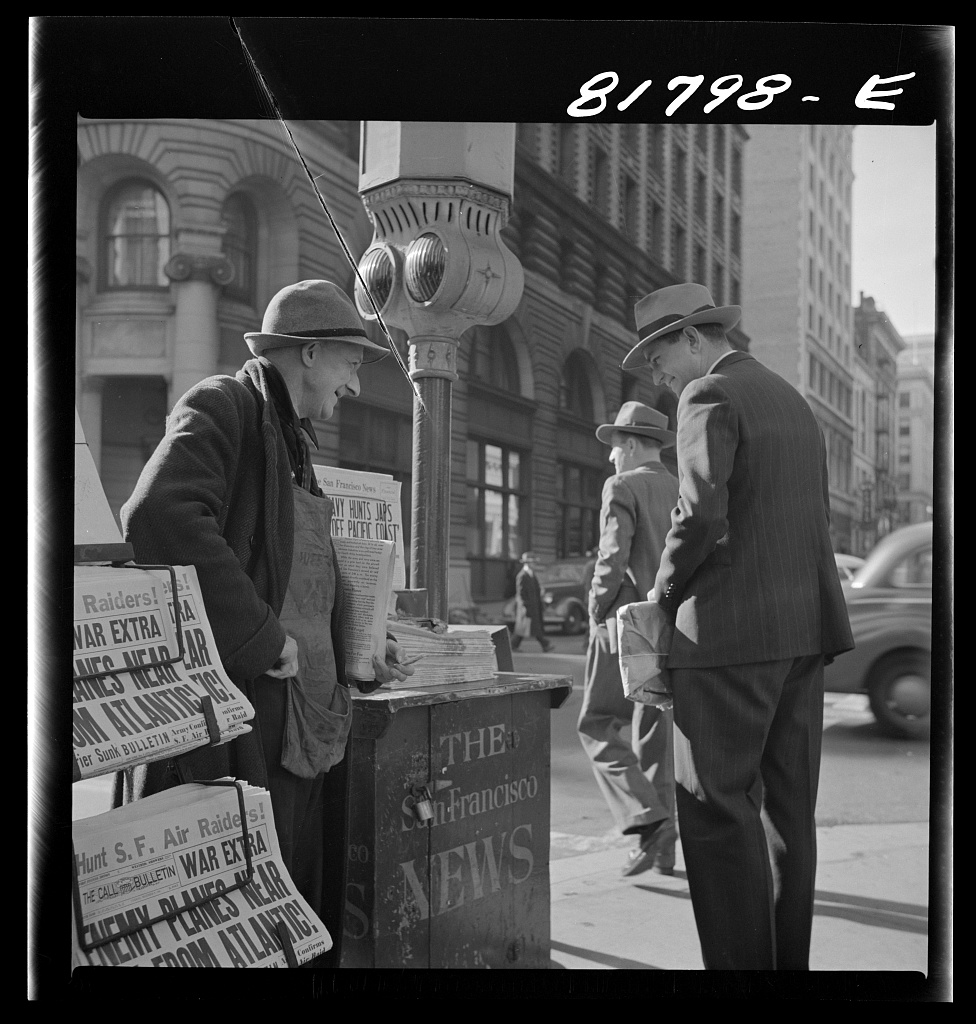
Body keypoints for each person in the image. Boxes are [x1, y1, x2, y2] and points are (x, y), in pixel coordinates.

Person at [117, 279, 416, 966]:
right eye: (350, 363)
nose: (354, 385)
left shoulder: (292, 440)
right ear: (309, 352)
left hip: (303, 725)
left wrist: (362, 645)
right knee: (240, 921)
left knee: (292, 912)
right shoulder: (225, 403)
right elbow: (158, 515)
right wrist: (261, 637)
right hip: (251, 722)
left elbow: (300, 577)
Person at [622, 282, 854, 970]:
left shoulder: (708, 394)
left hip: (726, 640)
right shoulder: (792, 400)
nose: (662, 380)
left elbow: (699, 513)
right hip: (803, 634)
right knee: (789, 818)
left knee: (717, 815)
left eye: (661, 361)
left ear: (694, 339)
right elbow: (810, 518)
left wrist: (662, 597)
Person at [576, 403, 680, 876]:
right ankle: (662, 846)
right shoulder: (681, 488)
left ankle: (646, 817)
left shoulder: (621, 485)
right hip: (672, 624)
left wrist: (596, 610)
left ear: (633, 445)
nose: (611, 457)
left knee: (597, 723)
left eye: (616, 448)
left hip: (626, 623)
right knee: (653, 730)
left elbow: (612, 557)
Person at [510, 552, 553, 652]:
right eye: (533, 562)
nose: (535, 564)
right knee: (528, 627)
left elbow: (536, 590)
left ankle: (514, 644)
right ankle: (544, 644)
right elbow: (521, 594)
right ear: (527, 563)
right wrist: (525, 606)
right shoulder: (522, 575)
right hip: (527, 607)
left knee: (528, 627)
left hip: (534, 606)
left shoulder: (532, 574)